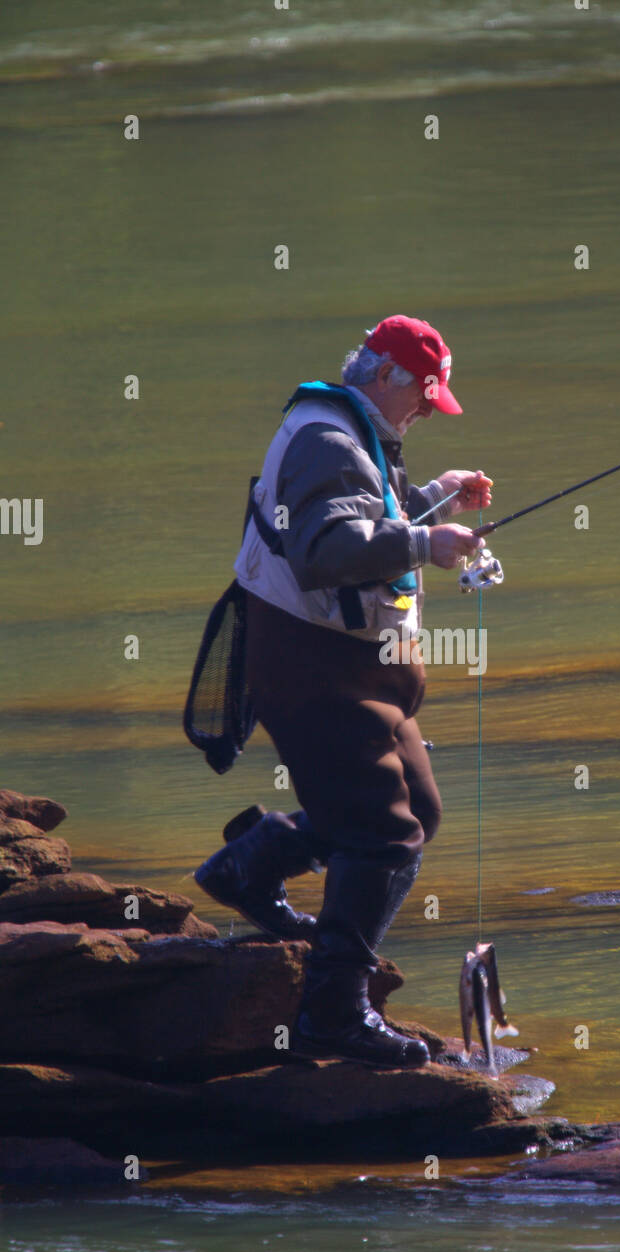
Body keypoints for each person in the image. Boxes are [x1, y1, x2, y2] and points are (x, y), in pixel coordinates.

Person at [194, 315, 493, 1068]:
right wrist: (430, 545)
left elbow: (368, 518)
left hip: (357, 673)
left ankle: (251, 865)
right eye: (424, 396)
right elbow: (327, 550)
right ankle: (332, 1011)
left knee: (417, 812)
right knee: (383, 835)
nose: (427, 411)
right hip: (314, 670)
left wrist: (434, 501)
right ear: (386, 378)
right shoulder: (327, 438)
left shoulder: (353, 428)